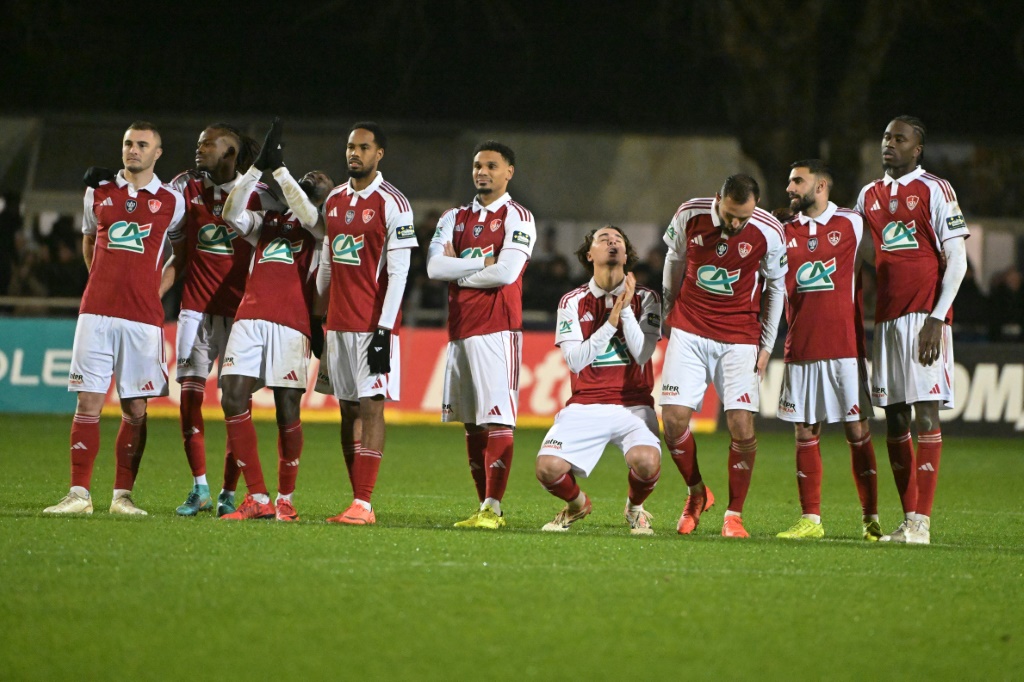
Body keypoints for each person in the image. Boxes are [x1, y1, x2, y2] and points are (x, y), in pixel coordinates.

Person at [44, 121, 185, 515]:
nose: (132, 150)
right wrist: (103, 282)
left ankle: (122, 496)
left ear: (158, 152)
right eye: (127, 143)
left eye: (142, 144)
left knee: (135, 408)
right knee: (88, 401)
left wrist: (152, 291)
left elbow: (178, 258)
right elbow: (90, 240)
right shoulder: (98, 191)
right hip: (96, 313)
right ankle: (78, 494)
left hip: (142, 319)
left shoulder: (173, 201)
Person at [855, 116, 969, 544]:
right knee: (895, 416)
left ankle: (922, 522)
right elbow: (867, 253)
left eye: (900, 139)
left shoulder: (936, 189)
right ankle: (908, 519)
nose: (890, 144)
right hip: (886, 319)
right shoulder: (869, 194)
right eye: (886, 137)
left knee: (925, 412)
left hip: (924, 318)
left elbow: (957, 261)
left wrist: (937, 318)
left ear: (917, 149)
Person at [215, 119, 333, 521]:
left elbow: (307, 211)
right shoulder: (267, 224)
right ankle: (259, 498)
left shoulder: (319, 228)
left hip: (292, 324)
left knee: (287, 412)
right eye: (309, 175)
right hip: (249, 318)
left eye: (322, 180)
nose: (315, 176)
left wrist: (279, 169)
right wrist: (255, 169)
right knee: (231, 397)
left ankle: (286, 498)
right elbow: (231, 213)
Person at [661, 174, 787, 538]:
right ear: (718, 199)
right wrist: (669, 305)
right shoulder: (690, 213)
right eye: (730, 215)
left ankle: (734, 515)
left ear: (755, 207)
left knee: (742, 427)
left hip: (739, 337)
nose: (735, 224)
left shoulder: (769, 231)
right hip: (689, 327)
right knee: (672, 421)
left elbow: (776, 287)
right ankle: (697, 493)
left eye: (742, 218)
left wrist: (766, 345)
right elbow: (674, 256)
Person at [426, 141, 537, 529]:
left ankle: (494, 506)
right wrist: (478, 262)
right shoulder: (453, 216)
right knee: (472, 422)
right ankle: (483, 507)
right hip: (459, 328)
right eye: (477, 165)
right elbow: (432, 269)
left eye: (491, 165)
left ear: (509, 172)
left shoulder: (518, 217)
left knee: (498, 417)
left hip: (498, 328)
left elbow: (506, 273)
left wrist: (459, 268)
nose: (482, 172)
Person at [775, 160, 881, 541]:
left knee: (857, 429)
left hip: (844, 348)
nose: (789, 188)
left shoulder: (852, 221)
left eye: (797, 181)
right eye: (789, 181)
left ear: (821, 187)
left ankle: (871, 518)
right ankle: (811, 521)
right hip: (801, 347)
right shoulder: (782, 230)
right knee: (805, 431)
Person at [316, 122, 416, 525]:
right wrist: (315, 316)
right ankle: (356, 500)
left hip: (372, 325)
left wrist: (384, 329)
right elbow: (326, 262)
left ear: (379, 155)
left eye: (363, 147)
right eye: (350, 147)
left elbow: (400, 273)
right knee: (347, 411)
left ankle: (364, 502)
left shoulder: (395, 203)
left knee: (371, 410)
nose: (354, 153)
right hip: (338, 325)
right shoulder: (335, 199)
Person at [536, 226, 662, 534]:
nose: (612, 242)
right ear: (589, 255)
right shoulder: (572, 301)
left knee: (647, 461)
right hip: (585, 403)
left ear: (626, 254)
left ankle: (635, 508)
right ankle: (578, 504)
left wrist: (626, 308)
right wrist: (610, 323)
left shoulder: (647, 298)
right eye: (604, 239)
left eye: (618, 239)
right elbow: (576, 360)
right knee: (547, 469)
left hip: (633, 404)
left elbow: (643, 354)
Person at [170, 124, 265, 518]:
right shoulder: (184, 186)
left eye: (209, 144)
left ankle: (229, 491)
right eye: (198, 142)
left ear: (231, 154)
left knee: (234, 403)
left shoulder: (258, 196)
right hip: (196, 310)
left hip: (240, 316)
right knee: (189, 399)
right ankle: (200, 487)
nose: (200, 148)